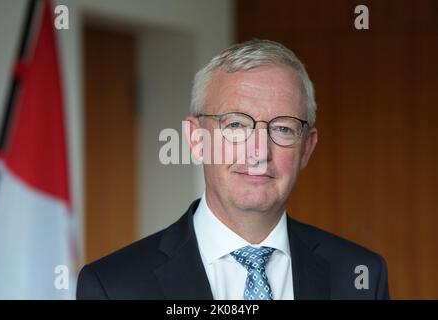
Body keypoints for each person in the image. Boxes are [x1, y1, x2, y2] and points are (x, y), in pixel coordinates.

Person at [76, 39, 389, 300]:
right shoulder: (113, 287)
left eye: (282, 129)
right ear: (196, 140)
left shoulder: (360, 277)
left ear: (306, 147)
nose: (258, 153)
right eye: (236, 125)